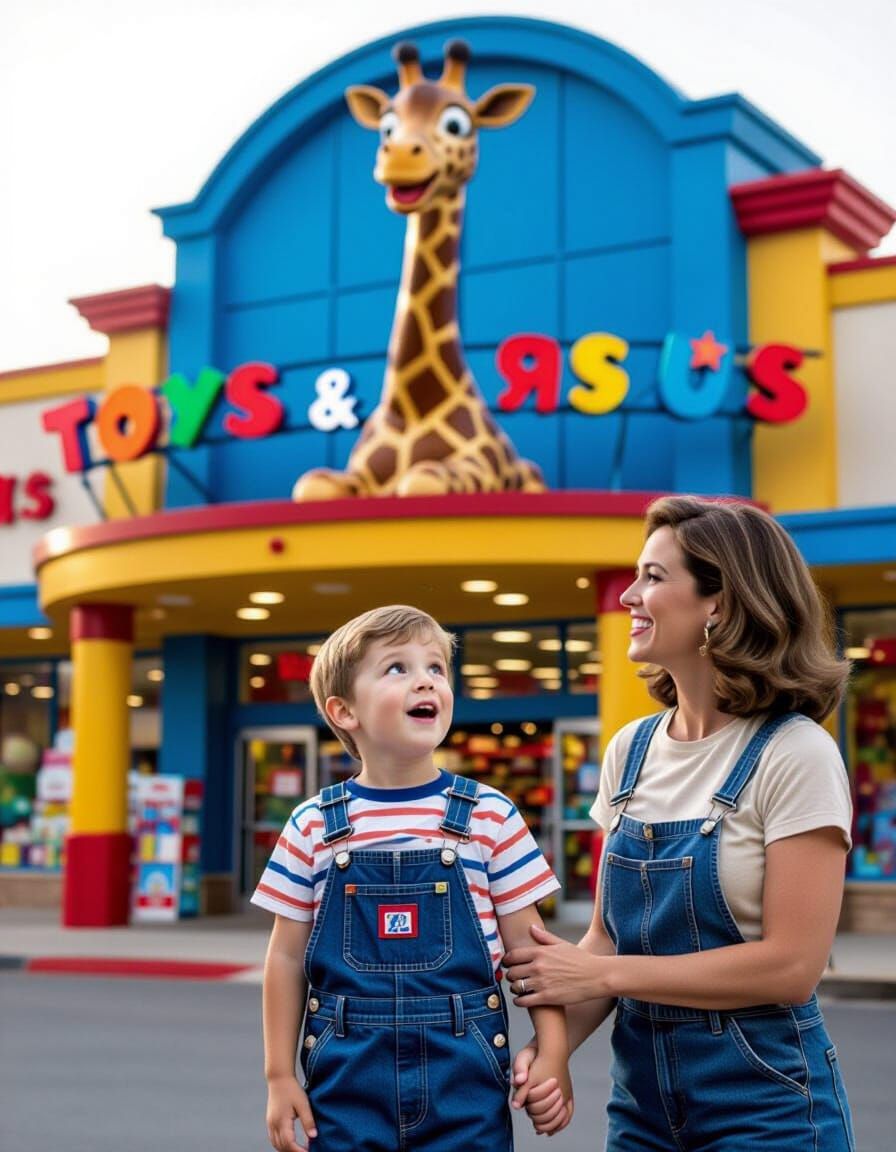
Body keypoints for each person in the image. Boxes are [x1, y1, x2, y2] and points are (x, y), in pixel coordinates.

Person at [505, 495, 857, 1149]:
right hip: (642, 1110)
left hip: (766, 1108)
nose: (629, 597)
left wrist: (605, 976)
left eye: (654, 577)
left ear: (719, 602)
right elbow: (606, 942)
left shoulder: (795, 752)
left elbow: (792, 966)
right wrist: (552, 1048)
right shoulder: (629, 752)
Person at [252, 604, 572, 1151]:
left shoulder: (489, 814)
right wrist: (279, 1077)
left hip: (465, 1081)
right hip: (345, 1082)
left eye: (436, 668)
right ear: (344, 710)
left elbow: (530, 951)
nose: (425, 679)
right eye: (397, 668)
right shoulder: (312, 824)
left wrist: (554, 1052)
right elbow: (285, 958)